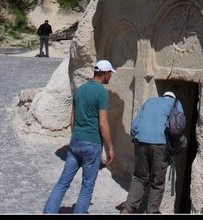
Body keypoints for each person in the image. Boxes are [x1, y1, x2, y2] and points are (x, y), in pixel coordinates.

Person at [43, 60, 116, 214]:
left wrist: (77, 136)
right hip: (92, 143)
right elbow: (102, 124)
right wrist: (109, 148)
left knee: (63, 181)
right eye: (110, 73)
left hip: (75, 141)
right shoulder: (102, 93)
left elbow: (72, 120)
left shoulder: (79, 90)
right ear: (104, 73)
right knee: (87, 186)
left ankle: (49, 212)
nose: (110, 76)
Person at [120, 90, 185, 215]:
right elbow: (178, 127)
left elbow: (134, 126)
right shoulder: (175, 103)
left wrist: (140, 137)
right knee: (157, 182)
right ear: (172, 97)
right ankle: (152, 211)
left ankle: (127, 208)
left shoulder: (149, 102)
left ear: (163, 96)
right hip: (160, 145)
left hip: (141, 142)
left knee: (139, 177)